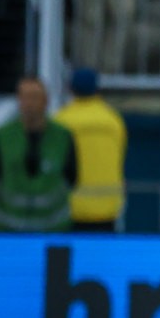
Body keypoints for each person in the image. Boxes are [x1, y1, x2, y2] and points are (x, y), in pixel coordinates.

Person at [0, 76, 77, 233]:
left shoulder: (63, 137)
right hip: (9, 229)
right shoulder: (2, 136)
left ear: (46, 101)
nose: (29, 104)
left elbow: (73, 178)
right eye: (24, 97)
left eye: (34, 97)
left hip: (53, 230)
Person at [54, 68, 126, 232]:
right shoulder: (113, 120)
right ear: (97, 89)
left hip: (70, 209)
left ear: (70, 89)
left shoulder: (61, 121)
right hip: (107, 208)